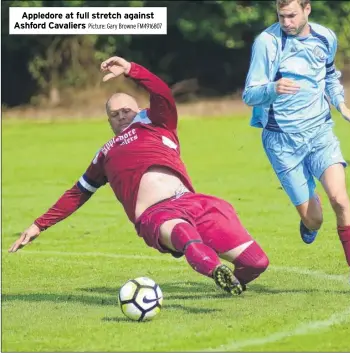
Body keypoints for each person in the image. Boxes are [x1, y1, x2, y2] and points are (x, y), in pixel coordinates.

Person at [9, 56, 269, 296]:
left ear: (140, 109)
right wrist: (39, 224)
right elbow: (78, 193)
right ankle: (214, 269)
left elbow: (162, 92)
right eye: (114, 114)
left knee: (256, 262)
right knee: (181, 232)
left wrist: (132, 70)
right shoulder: (105, 153)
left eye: (126, 111)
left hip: (193, 202)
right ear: (108, 121)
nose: (121, 116)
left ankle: (231, 283)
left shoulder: (158, 122)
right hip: (155, 214)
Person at [242, 0, 350, 295]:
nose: (286, 22)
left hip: (319, 133)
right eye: (281, 16)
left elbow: (330, 76)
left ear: (307, 10)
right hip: (282, 142)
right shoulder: (267, 42)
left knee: (340, 200)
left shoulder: (325, 37)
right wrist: (272, 88)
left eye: (292, 15)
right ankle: (309, 221)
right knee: (314, 218)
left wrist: (341, 105)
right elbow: (250, 95)